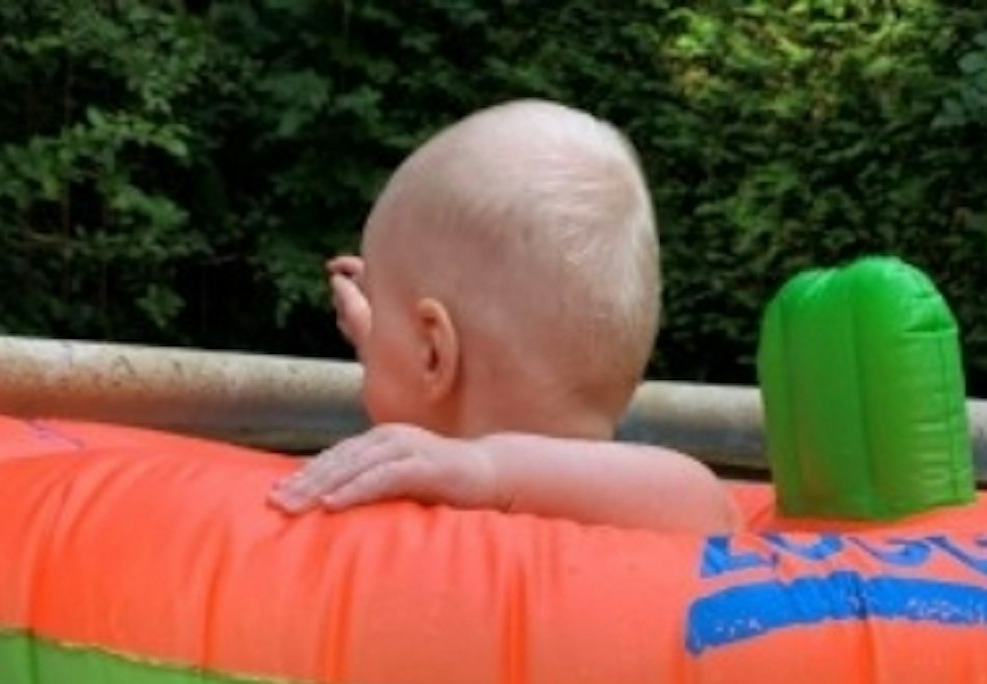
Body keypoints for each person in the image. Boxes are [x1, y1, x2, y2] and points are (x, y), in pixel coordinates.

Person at [269, 99, 740, 534]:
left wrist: (488, 470)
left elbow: (702, 502)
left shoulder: (675, 503)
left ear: (433, 354)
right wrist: (383, 334)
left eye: (377, 331)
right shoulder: (637, 518)